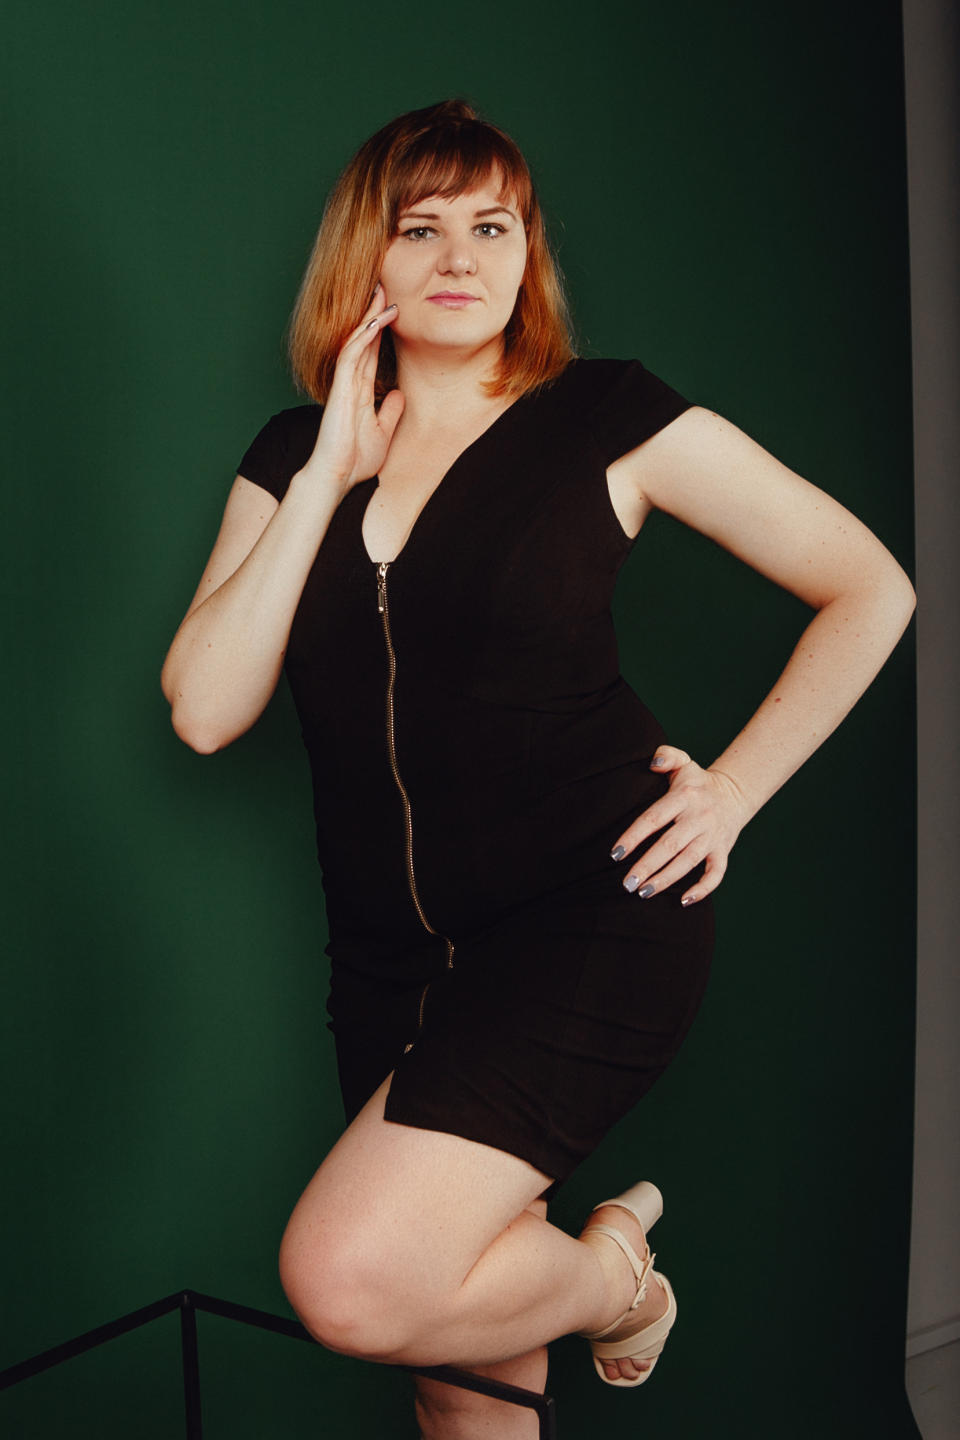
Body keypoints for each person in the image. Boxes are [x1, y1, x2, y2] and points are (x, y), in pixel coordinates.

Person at [160, 99, 916, 1436]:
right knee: (464, 1390)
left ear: (529, 252)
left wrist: (734, 790)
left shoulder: (607, 417)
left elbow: (870, 586)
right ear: (366, 258)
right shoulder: (291, 457)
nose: (462, 258)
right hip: (387, 957)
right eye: (422, 228)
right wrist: (333, 465)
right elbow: (207, 711)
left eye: (494, 227)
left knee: (353, 1281)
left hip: (589, 920)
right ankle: (594, 1285)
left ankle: (616, 1282)